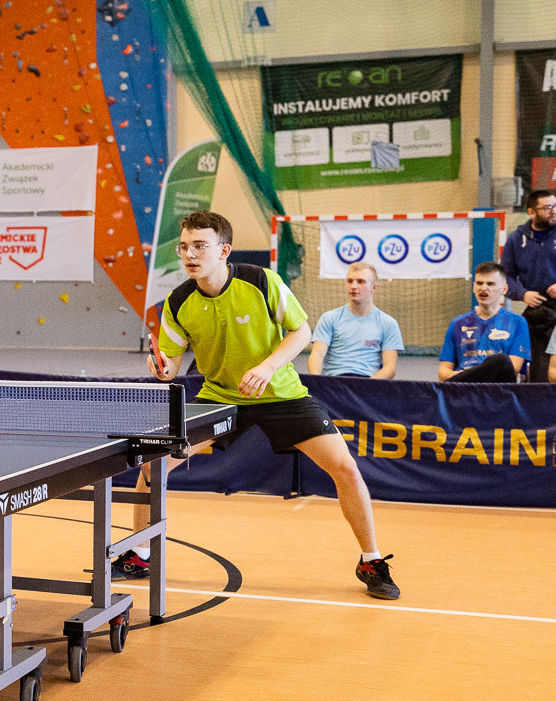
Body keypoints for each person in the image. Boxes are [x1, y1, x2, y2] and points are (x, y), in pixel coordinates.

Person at [144, 210, 400, 600]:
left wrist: (267, 367)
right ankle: (140, 554)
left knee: (346, 468)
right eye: (184, 247)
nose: (190, 254)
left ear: (223, 250)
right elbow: (172, 364)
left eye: (200, 246)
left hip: (281, 394)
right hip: (221, 396)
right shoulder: (179, 301)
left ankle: (371, 560)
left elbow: (301, 331)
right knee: (154, 463)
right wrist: (163, 369)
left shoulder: (261, 281)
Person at [306, 262, 403, 378]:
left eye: (360, 282)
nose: (353, 286)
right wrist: (318, 382)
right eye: (350, 281)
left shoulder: (388, 323)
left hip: (368, 382)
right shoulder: (329, 318)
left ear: (374, 287)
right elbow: (317, 355)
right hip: (334, 382)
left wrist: (366, 386)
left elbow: (390, 368)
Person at [438, 262, 529, 383]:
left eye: (490, 284)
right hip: (464, 388)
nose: (483, 288)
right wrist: (469, 375)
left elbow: (513, 369)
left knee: (501, 361)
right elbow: (443, 373)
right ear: (474, 287)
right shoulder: (457, 323)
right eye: (479, 283)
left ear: (504, 289)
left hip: (497, 388)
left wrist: (470, 373)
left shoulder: (518, 322)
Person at [500, 190, 556, 383]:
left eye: (555, 205)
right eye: (548, 207)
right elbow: (506, 277)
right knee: (531, 359)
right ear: (531, 212)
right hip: (537, 310)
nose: (554, 211)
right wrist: (523, 294)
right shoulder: (516, 239)